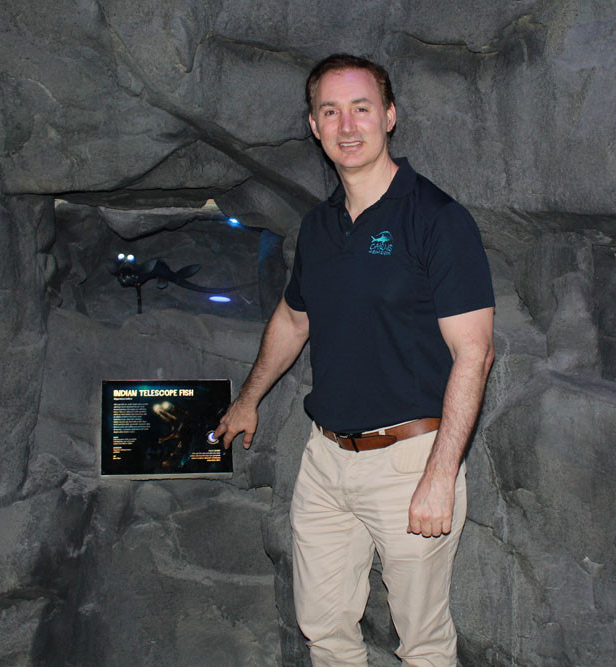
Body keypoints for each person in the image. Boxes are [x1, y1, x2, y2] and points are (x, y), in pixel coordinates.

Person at [214, 53, 495, 666]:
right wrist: (247, 398)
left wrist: (442, 473)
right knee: (323, 629)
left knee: (420, 640)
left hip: (410, 460)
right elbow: (293, 318)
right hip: (325, 462)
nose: (347, 126)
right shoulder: (318, 228)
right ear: (314, 126)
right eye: (330, 112)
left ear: (389, 116)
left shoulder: (438, 220)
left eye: (361, 109)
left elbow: (475, 352)